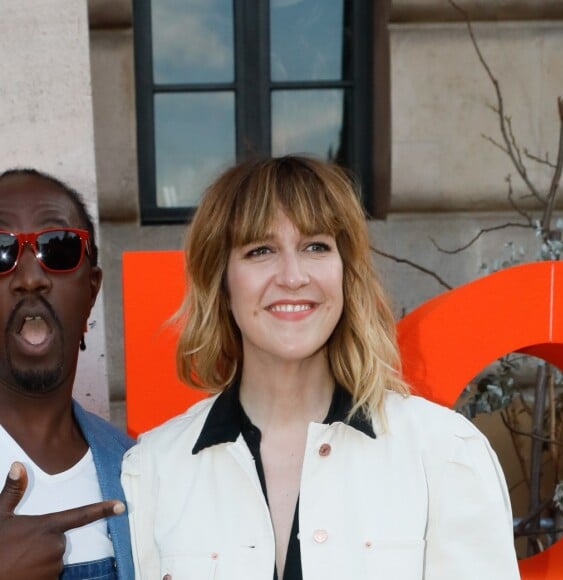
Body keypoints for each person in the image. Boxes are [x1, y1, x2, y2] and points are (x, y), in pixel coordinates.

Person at [122, 155, 520, 579]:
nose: (293, 276)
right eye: (261, 250)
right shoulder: (153, 471)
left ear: (346, 274)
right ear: (220, 283)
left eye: (316, 247)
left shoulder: (444, 454)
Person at [0, 169, 134, 579]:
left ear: (91, 291)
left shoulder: (137, 471)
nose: (31, 279)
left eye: (59, 249)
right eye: (1, 251)